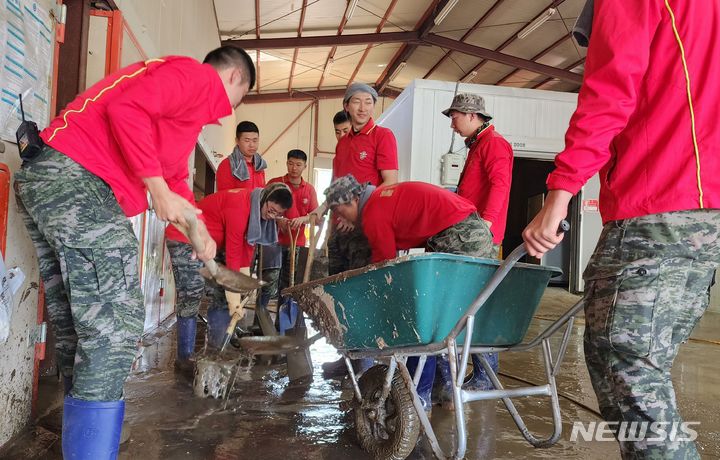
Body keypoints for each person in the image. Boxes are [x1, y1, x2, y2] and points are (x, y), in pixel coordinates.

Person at [13, 45, 255, 458]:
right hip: (78, 182)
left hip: (53, 180)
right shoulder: (194, 77)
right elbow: (126, 110)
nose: (231, 109)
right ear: (234, 79)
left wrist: (198, 233)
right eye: (241, 96)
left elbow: (176, 177)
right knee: (117, 323)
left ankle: (85, 445)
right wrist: (156, 190)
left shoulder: (184, 120)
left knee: (83, 324)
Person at [522, 2, 720, 458]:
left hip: (655, 203)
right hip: (702, 213)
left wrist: (559, 193)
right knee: (647, 363)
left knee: (626, 366)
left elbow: (609, 93)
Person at [324, 174, 495, 412]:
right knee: (455, 314)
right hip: (468, 228)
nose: (339, 218)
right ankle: (447, 388)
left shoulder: (374, 211)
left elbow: (385, 268)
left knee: (434, 319)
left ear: (352, 200)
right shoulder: (382, 198)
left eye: (339, 211)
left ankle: (425, 396)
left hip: (460, 236)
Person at [317, 84, 399, 378]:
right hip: (339, 230)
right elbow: (336, 187)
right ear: (346, 106)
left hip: (365, 229)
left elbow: (389, 183)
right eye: (357, 102)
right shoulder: (342, 144)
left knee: (363, 292)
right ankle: (348, 357)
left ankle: (365, 359)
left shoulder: (383, 136)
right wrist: (326, 219)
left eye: (369, 102)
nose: (363, 108)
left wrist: (361, 216)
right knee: (341, 295)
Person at [438, 93, 514, 402]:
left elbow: (500, 185)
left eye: (455, 118)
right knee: (470, 305)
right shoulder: (477, 146)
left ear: (472, 115)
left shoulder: (494, 144)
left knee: (476, 306)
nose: (453, 125)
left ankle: (486, 377)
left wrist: (487, 225)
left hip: (480, 238)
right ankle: (482, 373)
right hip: (472, 235)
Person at [166, 183, 292, 369]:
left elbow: (246, 252)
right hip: (185, 238)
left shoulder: (257, 213)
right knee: (191, 295)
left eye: (277, 214)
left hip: (210, 245)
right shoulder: (239, 206)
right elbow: (233, 252)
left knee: (221, 298)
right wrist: (235, 299)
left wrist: (242, 289)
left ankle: (217, 352)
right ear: (265, 199)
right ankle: (184, 359)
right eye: (270, 210)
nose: (271, 216)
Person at [260, 150, 319, 311]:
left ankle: (283, 323)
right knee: (268, 281)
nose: (294, 168)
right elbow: (260, 208)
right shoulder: (275, 183)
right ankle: (260, 319)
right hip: (273, 242)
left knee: (289, 285)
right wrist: (278, 220)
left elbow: (317, 218)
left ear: (305, 166)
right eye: (291, 163)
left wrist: (303, 219)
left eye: (298, 165)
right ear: (286, 163)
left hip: (297, 244)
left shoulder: (309, 190)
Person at [216, 121, 267, 191]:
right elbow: (224, 196)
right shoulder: (227, 164)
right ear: (237, 141)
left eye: (255, 140)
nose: (252, 145)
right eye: (247, 140)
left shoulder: (260, 166)